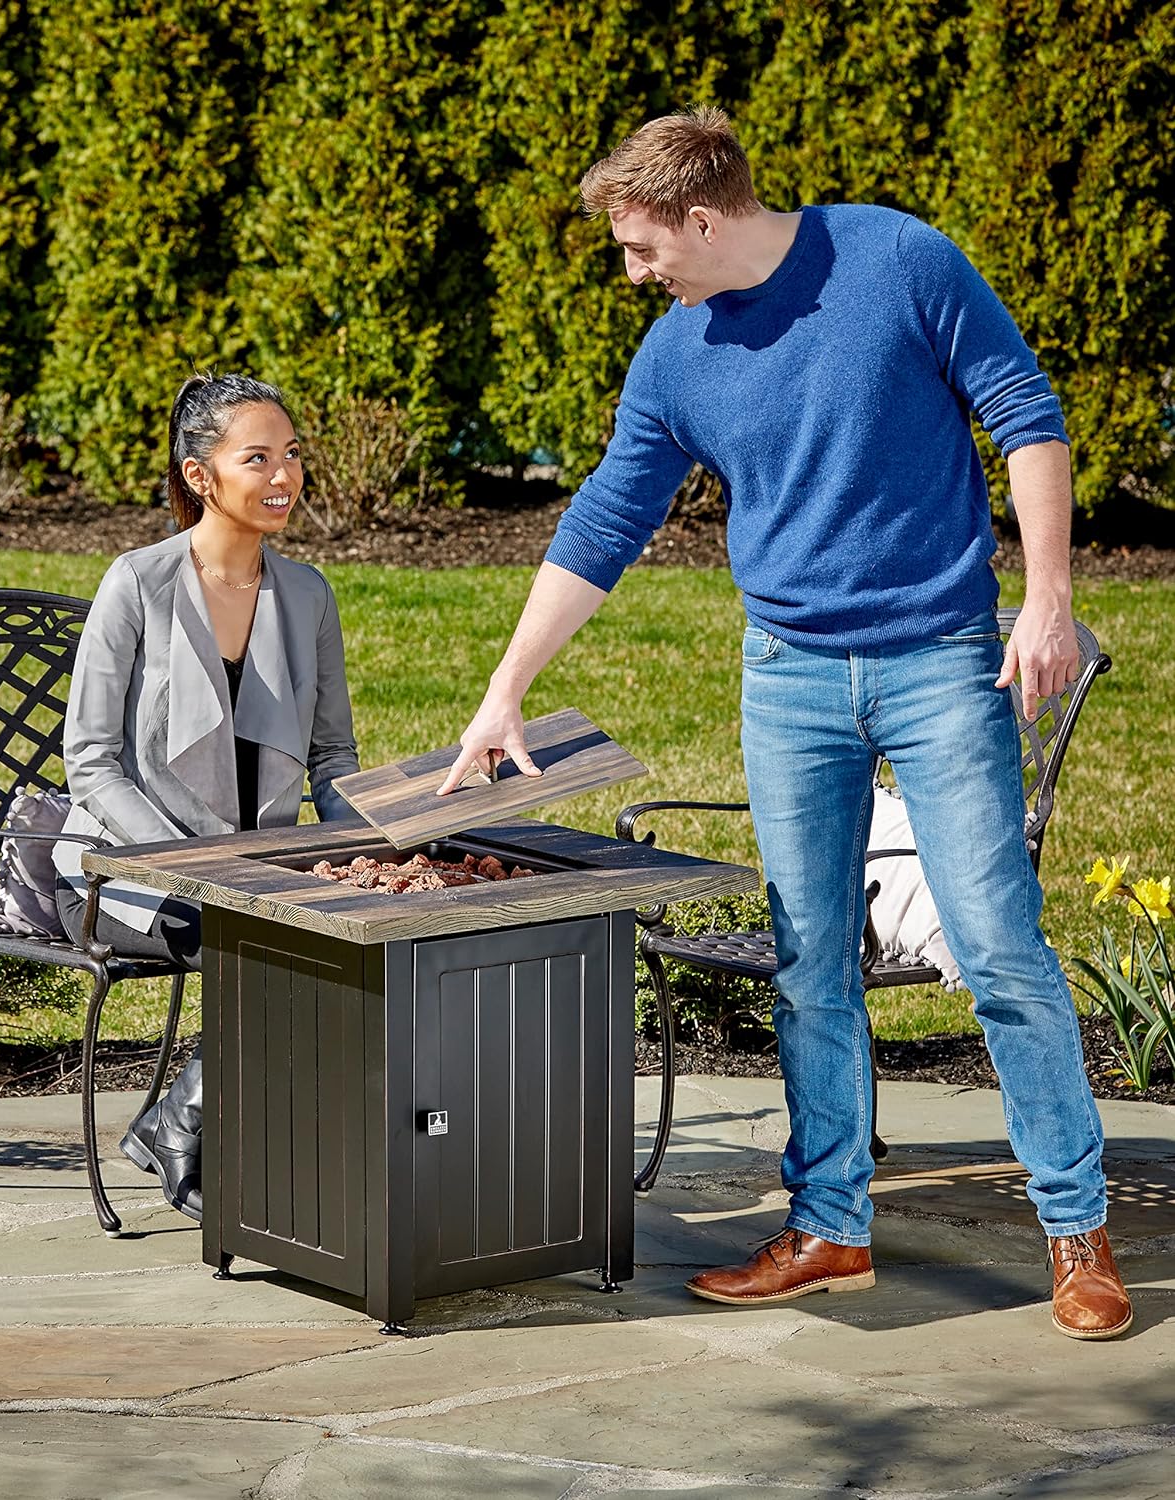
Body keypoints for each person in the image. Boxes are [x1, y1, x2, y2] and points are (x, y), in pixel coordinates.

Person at [439, 107, 1131, 1340]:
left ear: (703, 221)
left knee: (1001, 947)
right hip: (789, 676)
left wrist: (1048, 600)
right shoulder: (676, 356)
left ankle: (1076, 1230)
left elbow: (1025, 413)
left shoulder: (900, 261)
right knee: (813, 962)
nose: (636, 272)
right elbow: (605, 524)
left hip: (940, 662)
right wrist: (504, 689)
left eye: (644, 248)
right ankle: (832, 1230)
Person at [53, 372, 360, 1222]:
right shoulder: (136, 584)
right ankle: (198, 1130)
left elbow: (333, 756)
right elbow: (91, 760)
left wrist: (366, 845)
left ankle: (178, 1119)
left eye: (293, 456)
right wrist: (189, 865)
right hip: (125, 875)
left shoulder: (307, 595)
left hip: (258, 874)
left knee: (355, 935)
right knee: (284, 948)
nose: (284, 478)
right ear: (200, 476)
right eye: (257, 458)